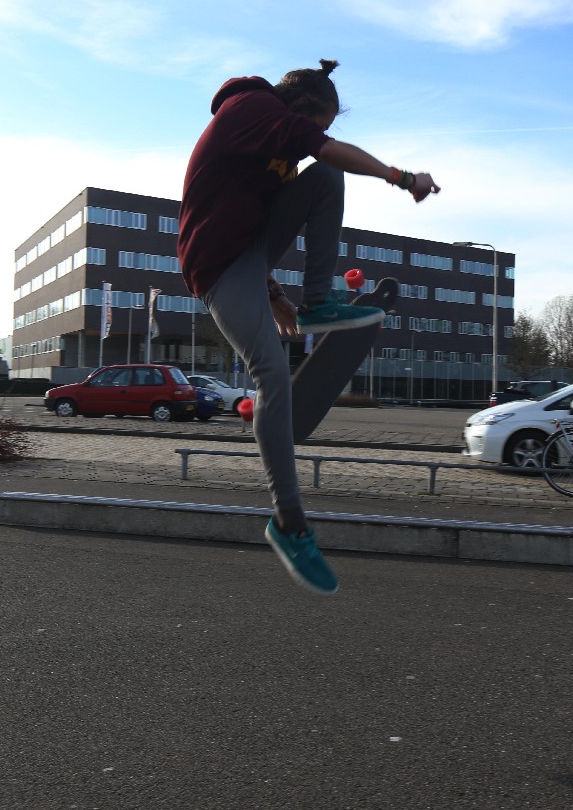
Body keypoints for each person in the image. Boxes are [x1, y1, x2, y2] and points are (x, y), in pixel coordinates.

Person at [176, 59, 440, 595]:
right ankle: (290, 522)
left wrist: (275, 294)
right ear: (299, 109)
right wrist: (401, 177)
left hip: (250, 254)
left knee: (321, 177)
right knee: (272, 373)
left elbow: (251, 212)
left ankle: (317, 301)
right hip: (216, 266)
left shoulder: (272, 134)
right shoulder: (253, 107)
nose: (316, 136)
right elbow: (325, 148)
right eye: (319, 124)